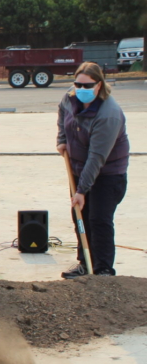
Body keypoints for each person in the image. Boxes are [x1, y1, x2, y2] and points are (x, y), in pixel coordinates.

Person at [56, 62, 129, 278]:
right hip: (79, 169)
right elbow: (62, 113)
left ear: (99, 85)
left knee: (99, 219)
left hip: (108, 174)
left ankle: (103, 269)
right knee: (81, 215)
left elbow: (96, 158)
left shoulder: (109, 114)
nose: (81, 89)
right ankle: (85, 263)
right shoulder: (70, 98)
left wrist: (81, 191)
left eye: (87, 86)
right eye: (78, 84)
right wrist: (61, 139)